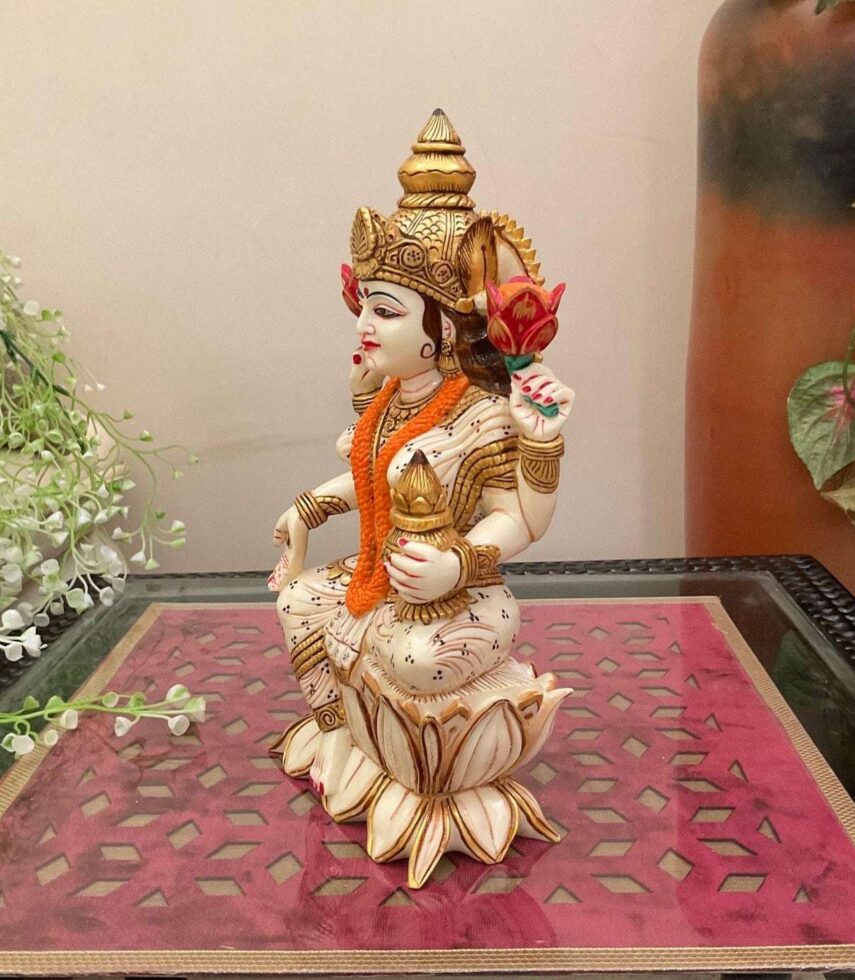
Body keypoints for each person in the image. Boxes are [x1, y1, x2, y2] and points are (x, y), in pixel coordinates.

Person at [269, 110, 574, 887]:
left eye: (385, 310)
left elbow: (521, 519)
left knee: (411, 661)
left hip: (459, 595)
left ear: (440, 329)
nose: (363, 326)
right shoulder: (387, 401)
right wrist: (310, 508)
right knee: (301, 600)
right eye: (364, 305)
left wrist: (455, 567)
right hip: (384, 579)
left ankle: (426, 776)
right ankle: (343, 742)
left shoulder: (482, 412)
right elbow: (371, 476)